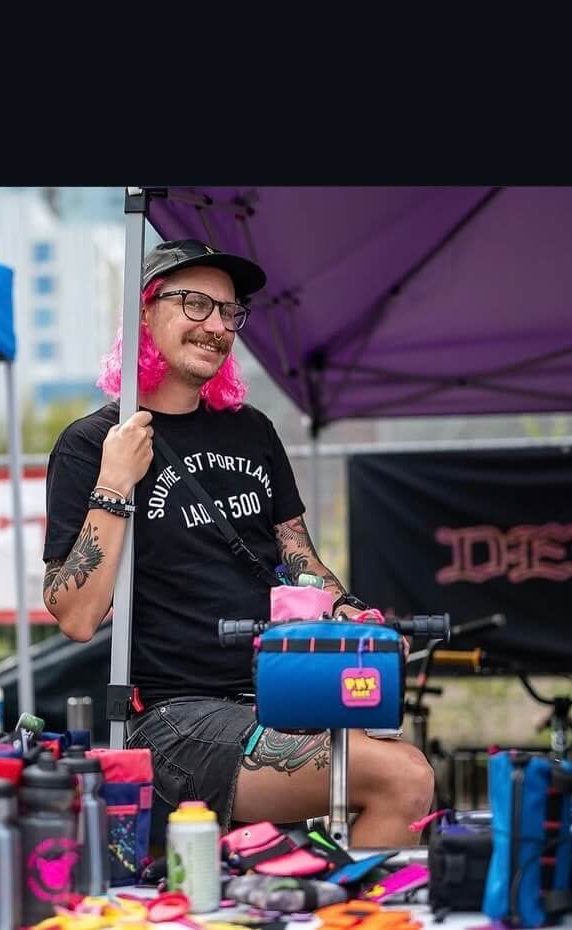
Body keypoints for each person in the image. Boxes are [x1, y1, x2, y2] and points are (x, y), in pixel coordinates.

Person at [42, 239, 434, 847]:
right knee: (402, 777)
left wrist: (356, 616)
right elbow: (75, 615)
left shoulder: (253, 430)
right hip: (173, 719)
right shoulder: (93, 444)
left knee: (391, 773)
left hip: (282, 690)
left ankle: (335, 894)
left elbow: (297, 558)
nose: (217, 326)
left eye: (229, 312)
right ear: (143, 312)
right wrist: (114, 483)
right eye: (195, 305)